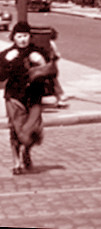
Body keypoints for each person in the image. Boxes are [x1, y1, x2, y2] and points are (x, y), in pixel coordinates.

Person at [0, 22, 55, 175]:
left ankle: (27, 152)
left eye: (25, 36)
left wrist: (41, 62)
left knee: (33, 131)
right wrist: (6, 62)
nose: (22, 39)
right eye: (19, 36)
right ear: (14, 37)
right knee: (16, 130)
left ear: (30, 37)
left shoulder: (39, 52)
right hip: (14, 96)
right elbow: (1, 77)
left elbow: (52, 73)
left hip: (34, 97)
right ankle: (16, 162)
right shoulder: (6, 54)